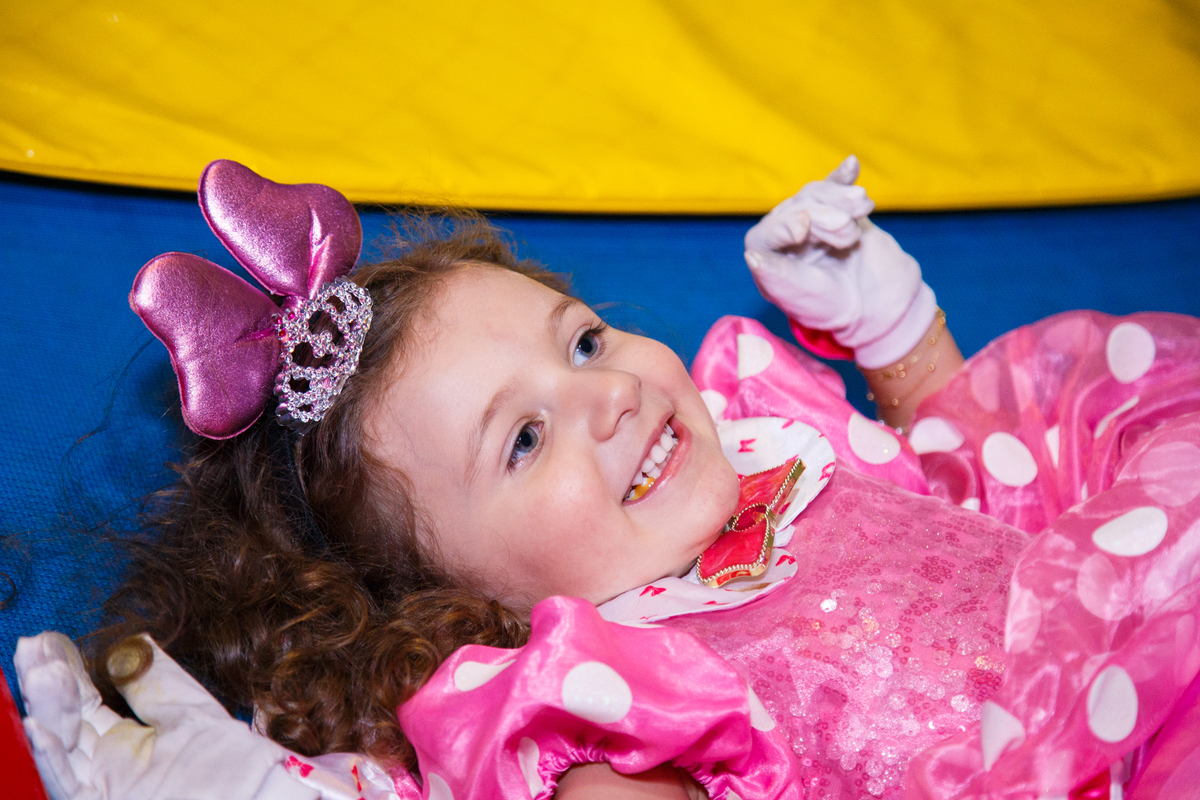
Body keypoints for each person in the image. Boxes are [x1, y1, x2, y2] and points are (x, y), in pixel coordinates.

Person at [13, 158, 1200, 800]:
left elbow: (991, 491)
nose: (610, 389)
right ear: (453, 600)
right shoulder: (610, 700)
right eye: (522, 439)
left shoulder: (767, 445)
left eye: (581, 339)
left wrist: (898, 334)